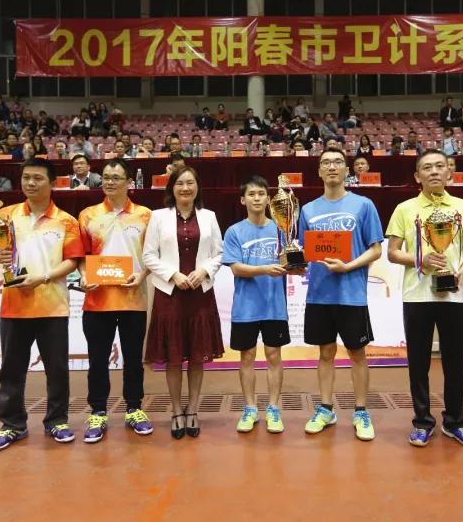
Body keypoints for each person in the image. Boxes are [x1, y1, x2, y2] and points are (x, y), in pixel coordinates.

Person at [0, 159, 85, 452]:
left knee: (57, 368)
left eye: (38, 178)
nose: (30, 183)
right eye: (26, 177)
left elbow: (72, 261)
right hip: (13, 305)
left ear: (52, 183)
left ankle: (57, 421)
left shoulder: (66, 221)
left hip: (52, 307)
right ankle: (12, 424)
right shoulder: (5, 215)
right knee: (11, 369)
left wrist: (42, 278)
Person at [386, 150, 463, 449]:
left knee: (455, 362)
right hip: (417, 296)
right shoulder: (405, 209)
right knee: (418, 363)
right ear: (417, 176)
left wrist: (461, 271)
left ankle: (456, 422)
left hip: (454, 295)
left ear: (449, 172)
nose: (434, 172)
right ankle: (422, 422)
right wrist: (421, 261)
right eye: (427, 167)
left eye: (440, 166)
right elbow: (393, 252)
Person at [298, 148, 384, 441]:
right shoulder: (307, 210)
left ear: (347, 170)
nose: (332, 167)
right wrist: (293, 263)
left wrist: (348, 266)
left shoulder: (364, 205)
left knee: (357, 353)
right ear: (319, 171)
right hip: (319, 295)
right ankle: (326, 409)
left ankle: (361, 411)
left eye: (337, 162)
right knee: (325, 353)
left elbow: (376, 249)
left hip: (351, 295)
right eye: (326, 163)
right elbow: (303, 251)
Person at [143, 166, 224, 439]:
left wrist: (204, 271)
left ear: (197, 187)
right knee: (174, 357)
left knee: (198, 356)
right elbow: (148, 255)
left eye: (190, 183)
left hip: (200, 294)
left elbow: (219, 253)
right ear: (172, 188)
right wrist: (172, 274)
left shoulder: (209, 216)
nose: (185, 188)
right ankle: (177, 410)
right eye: (180, 183)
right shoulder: (158, 217)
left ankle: (193, 410)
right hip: (170, 295)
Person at [77, 159, 153, 443]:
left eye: (116, 178)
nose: (109, 182)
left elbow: (153, 255)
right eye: (106, 177)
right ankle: (98, 411)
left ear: (129, 182)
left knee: (133, 359)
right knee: (97, 359)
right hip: (98, 300)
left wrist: (143, 274)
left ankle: (134, 408)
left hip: (133, 299)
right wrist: (84, 276)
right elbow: (81, 256)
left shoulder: (145, 216)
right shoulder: (88, 215)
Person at [223, 176, 291, 434]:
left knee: (274, 356)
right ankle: (250, 408)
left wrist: (296, 265)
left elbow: (288, 262)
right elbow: (236, 268)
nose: (257, 198)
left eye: (261, 193)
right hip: (246, 307)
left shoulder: (282, 229)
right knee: (247, 357)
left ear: (268, 199)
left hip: (274, 306)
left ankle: (273, 408)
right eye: (251, 194)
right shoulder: (234, 232)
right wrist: (264, 269)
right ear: (243, 200)